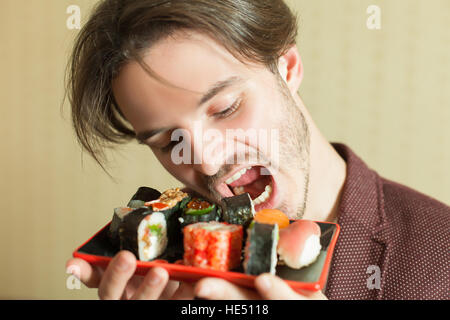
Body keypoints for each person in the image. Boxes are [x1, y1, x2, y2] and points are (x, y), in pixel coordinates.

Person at [65, 0, 449, 300]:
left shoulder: (440, 255)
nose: (208, 161)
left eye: (226, 108)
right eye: (168, 143)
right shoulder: (176, 264)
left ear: (288, 68)